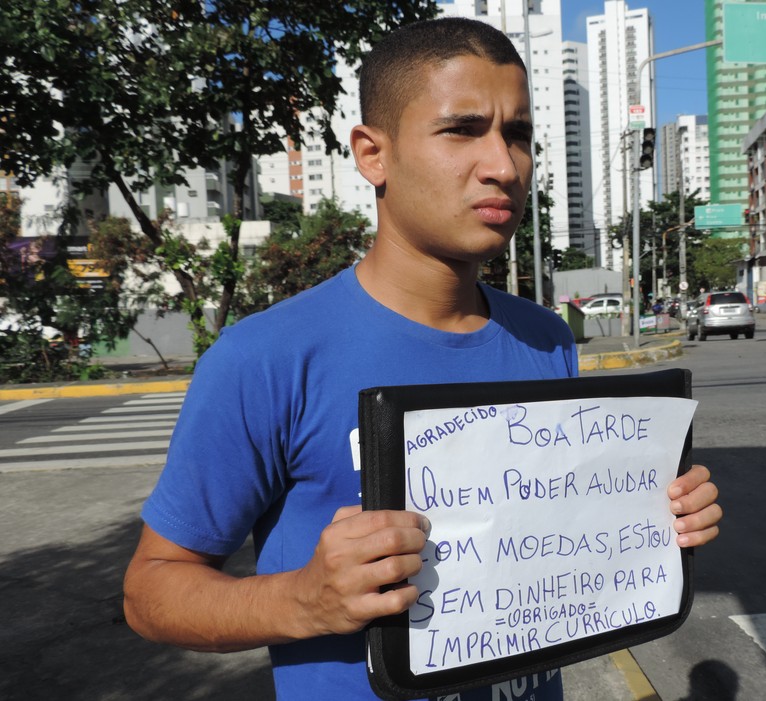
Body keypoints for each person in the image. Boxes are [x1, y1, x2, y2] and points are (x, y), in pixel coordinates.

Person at [123, 17, 722, 701]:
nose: (503, 165)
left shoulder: (546, 336)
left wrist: (651, 522)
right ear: (373, 154)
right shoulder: (265, 357)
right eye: (461, 129)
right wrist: (303, 600)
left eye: (519, 134)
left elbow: (550, 541)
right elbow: (150, 590)